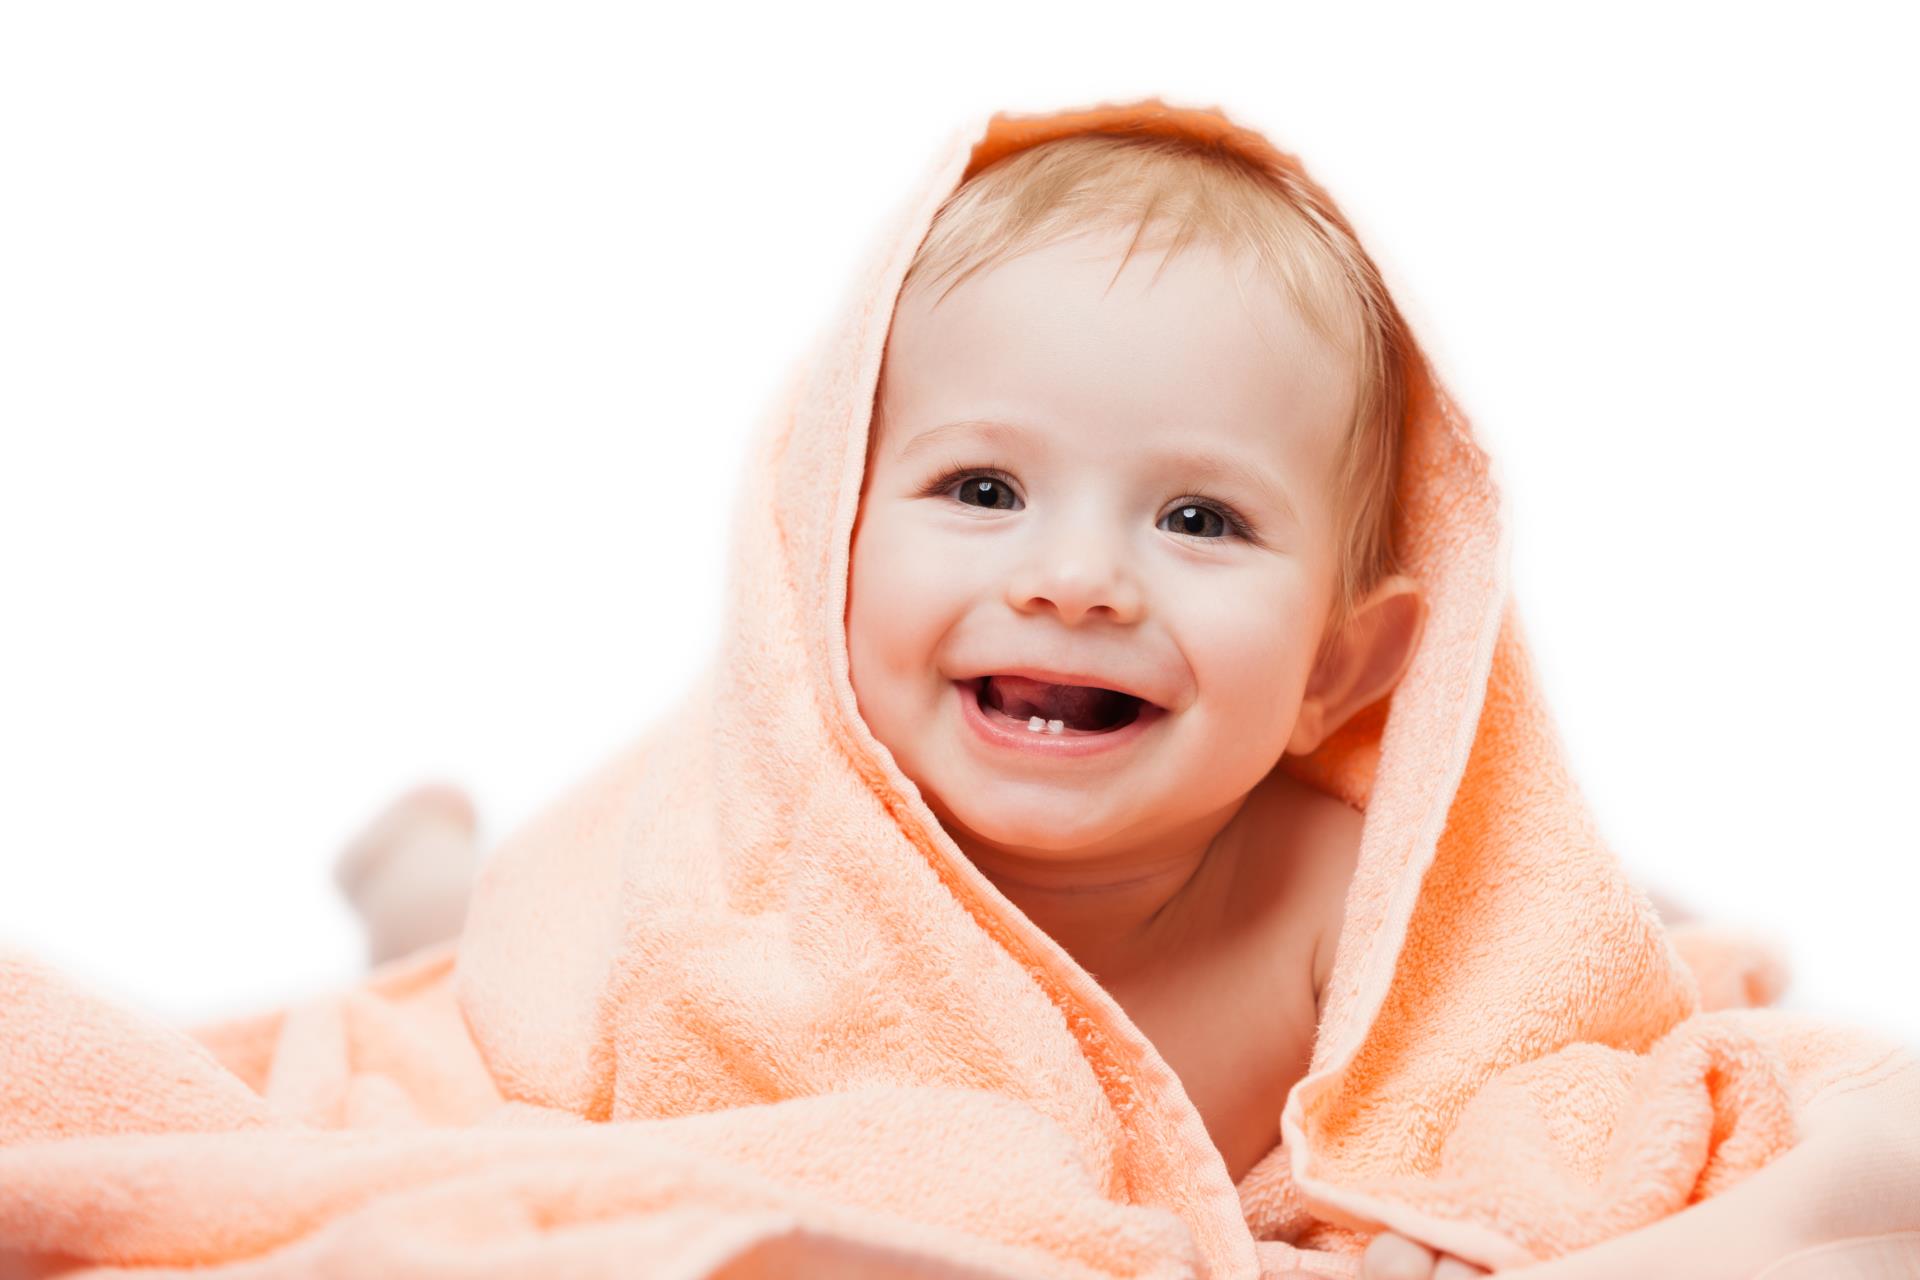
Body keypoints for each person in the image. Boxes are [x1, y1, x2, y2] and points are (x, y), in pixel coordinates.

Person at [329, 113, 1919, 1278]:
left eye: (1199, 519)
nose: (1077, 577)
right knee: (455, 954)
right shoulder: (739, 890)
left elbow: (1515, 1078)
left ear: (1340, 670)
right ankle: (416, 874)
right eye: (982, 486)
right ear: (825, 553)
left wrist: (1454, 1214)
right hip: (562, 912)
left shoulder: (1339, 903)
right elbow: (602, 1121)